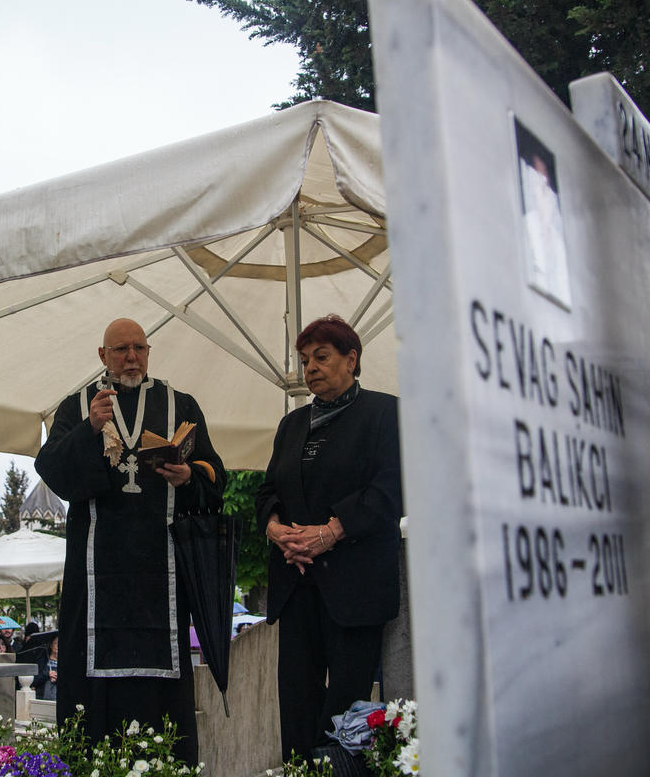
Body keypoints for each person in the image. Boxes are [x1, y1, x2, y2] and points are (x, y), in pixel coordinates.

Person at [35, 318, 226, 764]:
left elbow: (216, 480)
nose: (132, 358)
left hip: (164, 574)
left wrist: (189, 475)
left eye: (140, 348)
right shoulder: (77, 405)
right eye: (120, 349)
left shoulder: (181, 404)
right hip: (95, 575)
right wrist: (87, 429)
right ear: (102, 356)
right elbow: (55, 475)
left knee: (163, 700)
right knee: (94, 695)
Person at [257, 315, 403, 762]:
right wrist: (276, 529)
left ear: (351, 359)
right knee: (297, 707)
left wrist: (331, 531)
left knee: (346, 712)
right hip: (297, 584)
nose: (311, 368)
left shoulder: (386, 412)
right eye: (304, 361)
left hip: (355, 588)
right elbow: (268, 492)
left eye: (321, 357)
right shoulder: (291, 425)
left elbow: (393, 487)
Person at [31, 634, 60, 700]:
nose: (58, 646)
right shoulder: (42, 661)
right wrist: (47, 674)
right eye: (56, 643)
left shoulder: (66, 662)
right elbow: (34, 680)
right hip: (42, 697)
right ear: (51, 645)